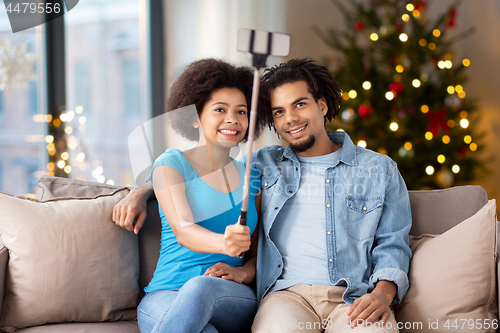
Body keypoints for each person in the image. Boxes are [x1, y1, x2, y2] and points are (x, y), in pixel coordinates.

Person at [114, 58, 412, 333]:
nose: (290, 119)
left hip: (351, 296)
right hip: (282, 297)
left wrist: (383, 293)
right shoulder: (266, 164)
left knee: (200, 289)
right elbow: (192, 180)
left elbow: (393, 243)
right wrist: (142, 191)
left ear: (322, 105)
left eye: (300, 105)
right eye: (279, 112)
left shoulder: (376, 169)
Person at [122, 58, 265, 333]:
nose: (232, 119)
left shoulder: (252, 175)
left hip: (230, 294)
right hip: (165, 294)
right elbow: (184, 231)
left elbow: (260, 253)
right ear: (194, 117)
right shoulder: (171, 164)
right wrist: (225, 242)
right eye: (219, 109)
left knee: (201, 287)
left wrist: (242, 272)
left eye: (242, 111)